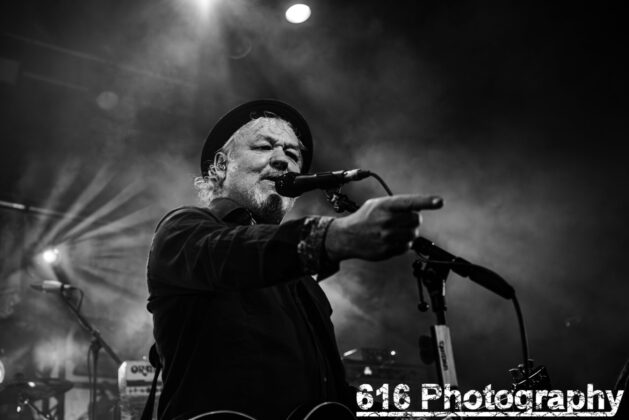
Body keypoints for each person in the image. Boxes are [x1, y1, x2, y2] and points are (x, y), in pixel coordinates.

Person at [146, 99, 443, 420]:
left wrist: (411, 415)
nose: (282, 160)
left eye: (292, 154)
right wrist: (333, 235)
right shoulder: (182, 228)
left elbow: (331, 395)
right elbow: (234, 253)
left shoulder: (305, 284)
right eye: (264, 147)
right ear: (221, 165)